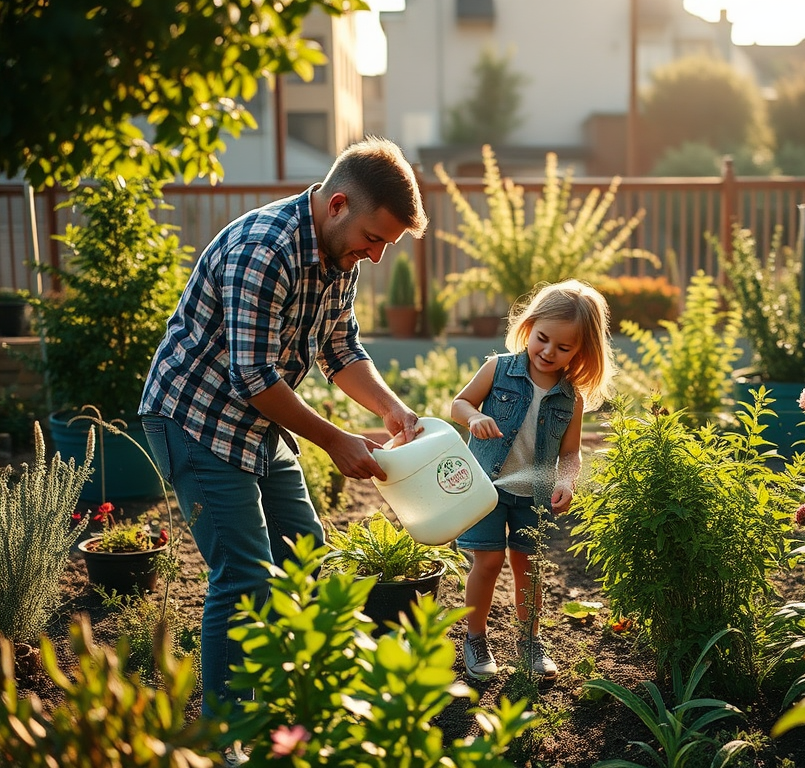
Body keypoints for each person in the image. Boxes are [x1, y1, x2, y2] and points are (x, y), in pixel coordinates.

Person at [138, 136, 429, 724]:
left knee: (306, 556)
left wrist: (392, 410)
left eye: (386, 246)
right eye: (375, 240)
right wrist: (337, 440)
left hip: (256, 425)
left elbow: (341, 347)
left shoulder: (337, 253)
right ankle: (226, 735)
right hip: (195, 420)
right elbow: (255, 378)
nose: (376, 257)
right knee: (244, 578)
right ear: (339, 204)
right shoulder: (264, 249)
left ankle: (295, 706)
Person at [450, 279, 615, 681]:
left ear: (581, 351)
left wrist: (567, 481)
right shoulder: (498, 368)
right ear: (529, 326)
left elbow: (571, 452)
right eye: (542, 339)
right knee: (487, 562)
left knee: (529, 568)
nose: (548, 352)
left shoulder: (570, 398)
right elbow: (459, 403)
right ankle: (476, 637)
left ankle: (529, 640)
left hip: (533, 496)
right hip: (487, 490)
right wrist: (474, 417)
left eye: (564, 348)